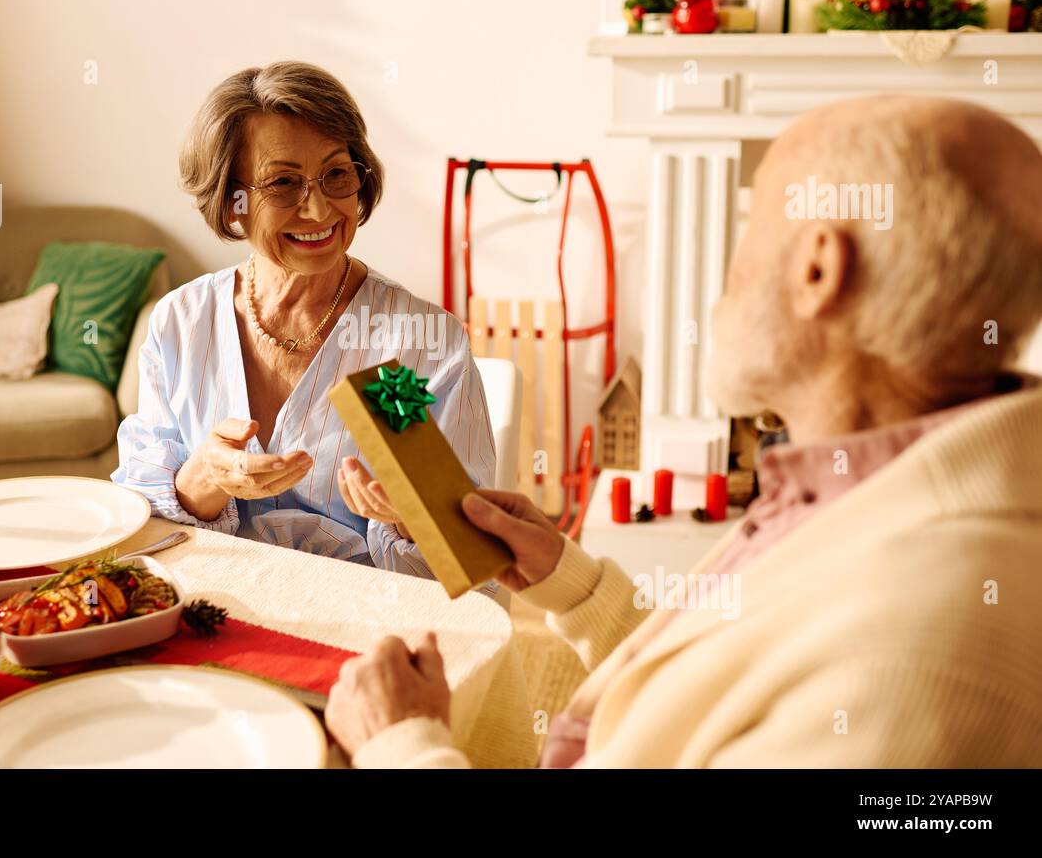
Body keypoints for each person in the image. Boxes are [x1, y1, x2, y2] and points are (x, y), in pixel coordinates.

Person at [325, 95, 1042, 767]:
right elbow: (727, 691)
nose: (726, 282)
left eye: (750, 235)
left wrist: (405, 746)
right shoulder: (859, 480)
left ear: (819, 269)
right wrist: (571, 583)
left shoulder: (915, 653)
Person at [113, 61, 494, 578]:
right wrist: (204, 478)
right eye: (283, 183)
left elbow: (468, 564)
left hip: (370, 625)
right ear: (232, 202)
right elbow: (140, 529)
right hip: (216, 608)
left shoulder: (413, 344)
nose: (318, 211)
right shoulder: (182, 322)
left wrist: (411, 520)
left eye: (336, 174)